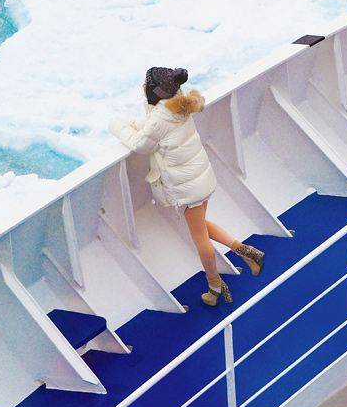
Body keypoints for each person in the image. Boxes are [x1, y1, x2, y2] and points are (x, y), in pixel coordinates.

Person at [108, 65, 265, 308]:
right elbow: (153, 126)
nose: (142, 86)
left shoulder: (160, 118)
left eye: (145, 83)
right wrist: (135, 121)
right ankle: (247, 252)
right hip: (199, 177)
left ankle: (215, 286)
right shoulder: (178, 103)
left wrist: (116, 125)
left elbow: (141, 144)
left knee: (200, 238)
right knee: (201, 225)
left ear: (155, 90)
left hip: (187, 187)